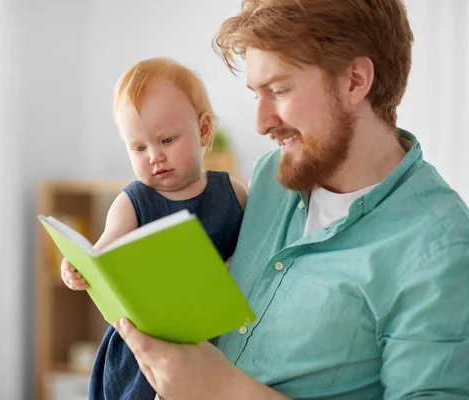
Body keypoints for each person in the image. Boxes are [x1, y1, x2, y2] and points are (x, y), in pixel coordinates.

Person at [111, 1, 469, 399]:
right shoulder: (270, 177)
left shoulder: (440, 247)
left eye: (278, 90)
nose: (262, 122)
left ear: (354, 80)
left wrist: (224, 390)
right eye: (256, 95)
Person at [60, 56, 248, 399]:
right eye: (139, 147)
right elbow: (101, 253)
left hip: (215, 340)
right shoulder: (133, 201)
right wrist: (76, 268)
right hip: (143, 347)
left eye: (167, 140)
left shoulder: (233, 193)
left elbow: (254, 251)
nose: (154, 157)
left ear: (204, 129)